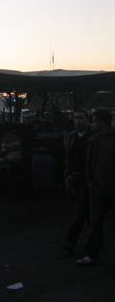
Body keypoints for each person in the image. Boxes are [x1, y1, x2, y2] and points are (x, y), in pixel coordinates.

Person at [77, 108, 115, 265]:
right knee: (96, 223)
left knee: (96, 222)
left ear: (101, 121)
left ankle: (92, 254)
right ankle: (92, 253)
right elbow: (89, 164)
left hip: (105, 188)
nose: (91, 123)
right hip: (98, 188)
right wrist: (90, 182)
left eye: (93, 120)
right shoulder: (94, 140)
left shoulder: (100, 139)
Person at [62, 109, 91, 254]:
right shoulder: (72, 137)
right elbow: (69, 158)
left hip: (89, 180)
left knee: (80, 213)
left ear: (87, 120)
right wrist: (67, 174)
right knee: (86, 212)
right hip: (75, 178)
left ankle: (70, 242)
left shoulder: (94, 137)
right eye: (76, 118)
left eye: (81, 118)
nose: (78, 121)